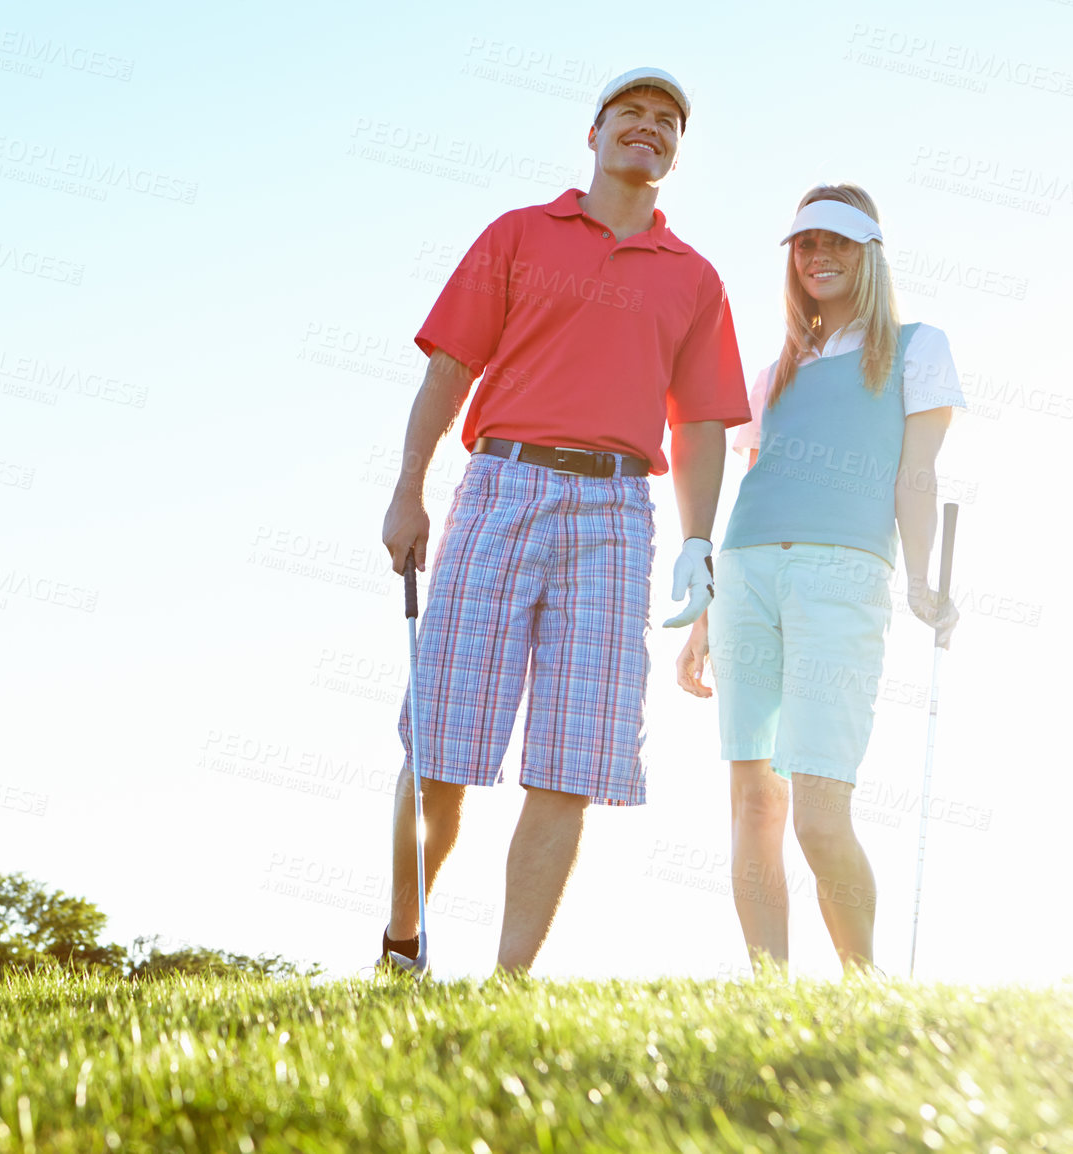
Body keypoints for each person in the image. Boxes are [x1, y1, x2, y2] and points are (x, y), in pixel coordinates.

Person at [378, 67, 750, 974]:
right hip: (503, 487)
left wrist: (700, 543)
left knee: (572, 760)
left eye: (668, 122)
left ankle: (507, 984)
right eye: (632, 113)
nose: (650, 128)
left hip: (619, 511)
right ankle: (402, 940)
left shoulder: (693, 278)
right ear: (594, 134)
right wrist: (409, 487)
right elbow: (448, 370)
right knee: (443, 749)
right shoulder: (517, 234)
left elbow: (699, 424)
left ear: (675, 153)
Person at [674, 184, 964, 973]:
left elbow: (916, 475)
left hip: (843, 576)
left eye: (837, 242)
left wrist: (920, 582)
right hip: (747, 575)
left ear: (869, 253)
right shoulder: (773, 375)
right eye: (805, 244)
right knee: (754, 801)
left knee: (818, 814)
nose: (819, 257)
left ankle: (862, 991)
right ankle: (771, 994)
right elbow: (754, 487)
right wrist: (706, 615)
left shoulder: (916, 346)